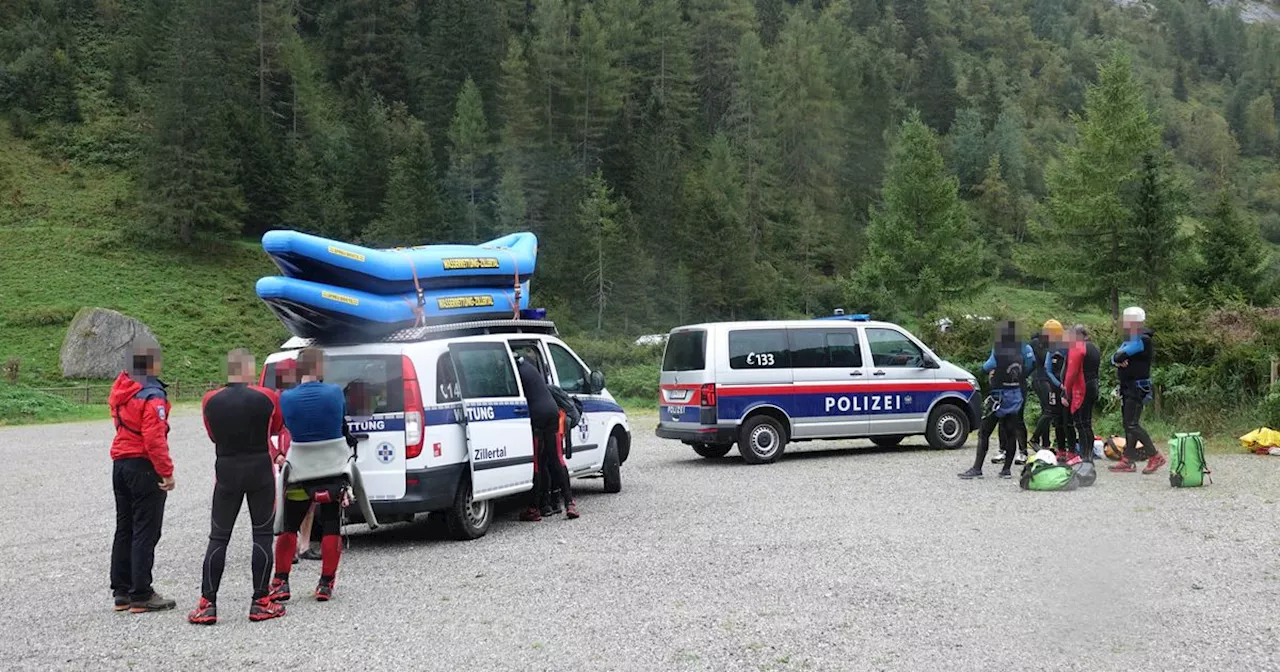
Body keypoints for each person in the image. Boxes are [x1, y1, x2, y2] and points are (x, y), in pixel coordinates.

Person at [188, 350, 287, 624]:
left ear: (228, 370)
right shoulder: (267, 396)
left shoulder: (210, 400)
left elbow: (211, 435)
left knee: (219, 537)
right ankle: (260, 602)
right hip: (259, 469)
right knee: (262, 535)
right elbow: (276, 428)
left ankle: (207, 603)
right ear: (250, 370)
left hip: (227, 469)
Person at [269, 348, 350, 602]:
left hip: (300, 471)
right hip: (332, 470)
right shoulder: (335, 393)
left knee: (290, 524)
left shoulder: (286, 398)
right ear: (319, 368)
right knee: (331, 524)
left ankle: (281, 581)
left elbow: (284, 428)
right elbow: (340, 425)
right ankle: (325, 583)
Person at [109, 343, 177, 613]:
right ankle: (142, 593)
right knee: (146, 531)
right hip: (143, 466)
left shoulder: (122, 389)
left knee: (124, 528)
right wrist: (167, 472)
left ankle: (121, 591)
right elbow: (154, 437)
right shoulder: (152, 394)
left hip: (120, 463)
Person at [959, 321, 1034, 480]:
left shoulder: (999, 351)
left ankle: (977, 468)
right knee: (1011, 432)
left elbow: (987, 367)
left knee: (984, 432)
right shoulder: (1022, 351)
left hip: (999, 397)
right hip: (1015, 395)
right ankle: (1006, 470)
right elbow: (1029, 366)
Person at [517, 348, 579, 521]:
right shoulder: (528, 367)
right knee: (556, 458)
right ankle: (570, 504)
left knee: (537, 462)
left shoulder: (515, 370)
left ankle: (533, 509)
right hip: (552, 412)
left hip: (536, 415)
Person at [270, 360, 322, 564]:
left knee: (309, 499)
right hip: (287, 451)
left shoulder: (303, 395)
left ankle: (304, 545)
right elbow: (265, 430)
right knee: (286, 501)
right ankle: (289, 547)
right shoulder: (274, 398)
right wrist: (276, 454)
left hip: (305, 448)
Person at [1109, 307, 1165, 474]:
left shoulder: (1143, 339)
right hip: (1128, 386)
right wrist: (1118, 359)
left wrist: (1119, 358)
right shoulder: (1130, 338)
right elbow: (1114, 358)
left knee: (1132, 424)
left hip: (1138, 387)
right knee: (1128, 424)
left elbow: (1119, 356)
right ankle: (1128, 459)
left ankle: (1154, 455)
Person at [1063, 325, 1101, 463]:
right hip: (1094, 385)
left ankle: (1085, 457)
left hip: (1082, 388)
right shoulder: (1094, 347)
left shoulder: (1077, 347)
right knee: (1087, 423)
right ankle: (1088, 456)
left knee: (1081, 424)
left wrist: (1066, 391)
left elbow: (1071, 372)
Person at [1041, 320, 1075, 458]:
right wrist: (1059, 384)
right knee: (1058, 421)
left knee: (1069, 421)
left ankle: (1072, 451)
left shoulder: (1068, 346)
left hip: (1068, 388)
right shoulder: (1050, 349)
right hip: (1056, 389)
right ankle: (1061, 450)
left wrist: (1066, 385)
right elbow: (1047, 370)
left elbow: (1072, 366)